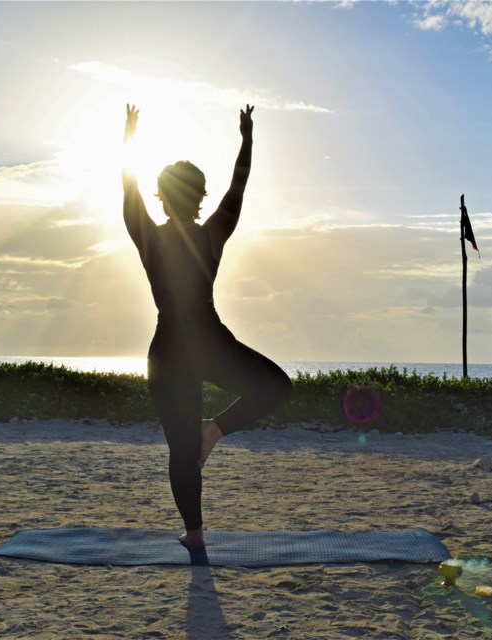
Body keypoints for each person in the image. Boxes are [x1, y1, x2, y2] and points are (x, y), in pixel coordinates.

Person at [121, 103, 292, 550]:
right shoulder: (212, 234)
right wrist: (246, 138)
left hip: (170, 349)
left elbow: (126, 186)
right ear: (199, 197)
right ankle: (212, 432)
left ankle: (194, 533)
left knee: (181, 450)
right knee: (275, 387)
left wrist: (130, 136)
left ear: (163, 197)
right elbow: (238, 187)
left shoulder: (147, 235)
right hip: (207, 341)